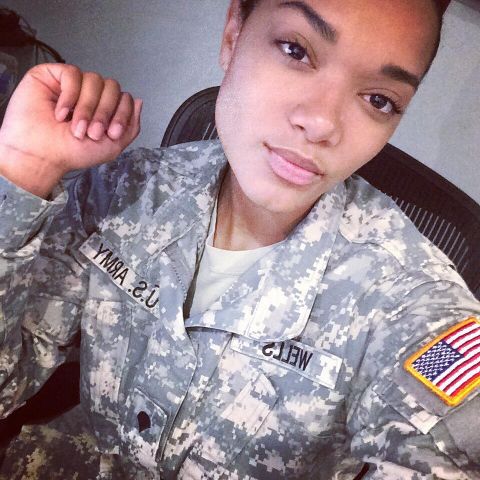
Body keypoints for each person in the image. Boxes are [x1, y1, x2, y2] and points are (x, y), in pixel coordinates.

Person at [0, 0, 479, 478]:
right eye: (296, 50)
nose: (322, 123)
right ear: (233, 35)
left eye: (379, 100)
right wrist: (25, 166)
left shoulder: (407, 302)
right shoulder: (128, 190)